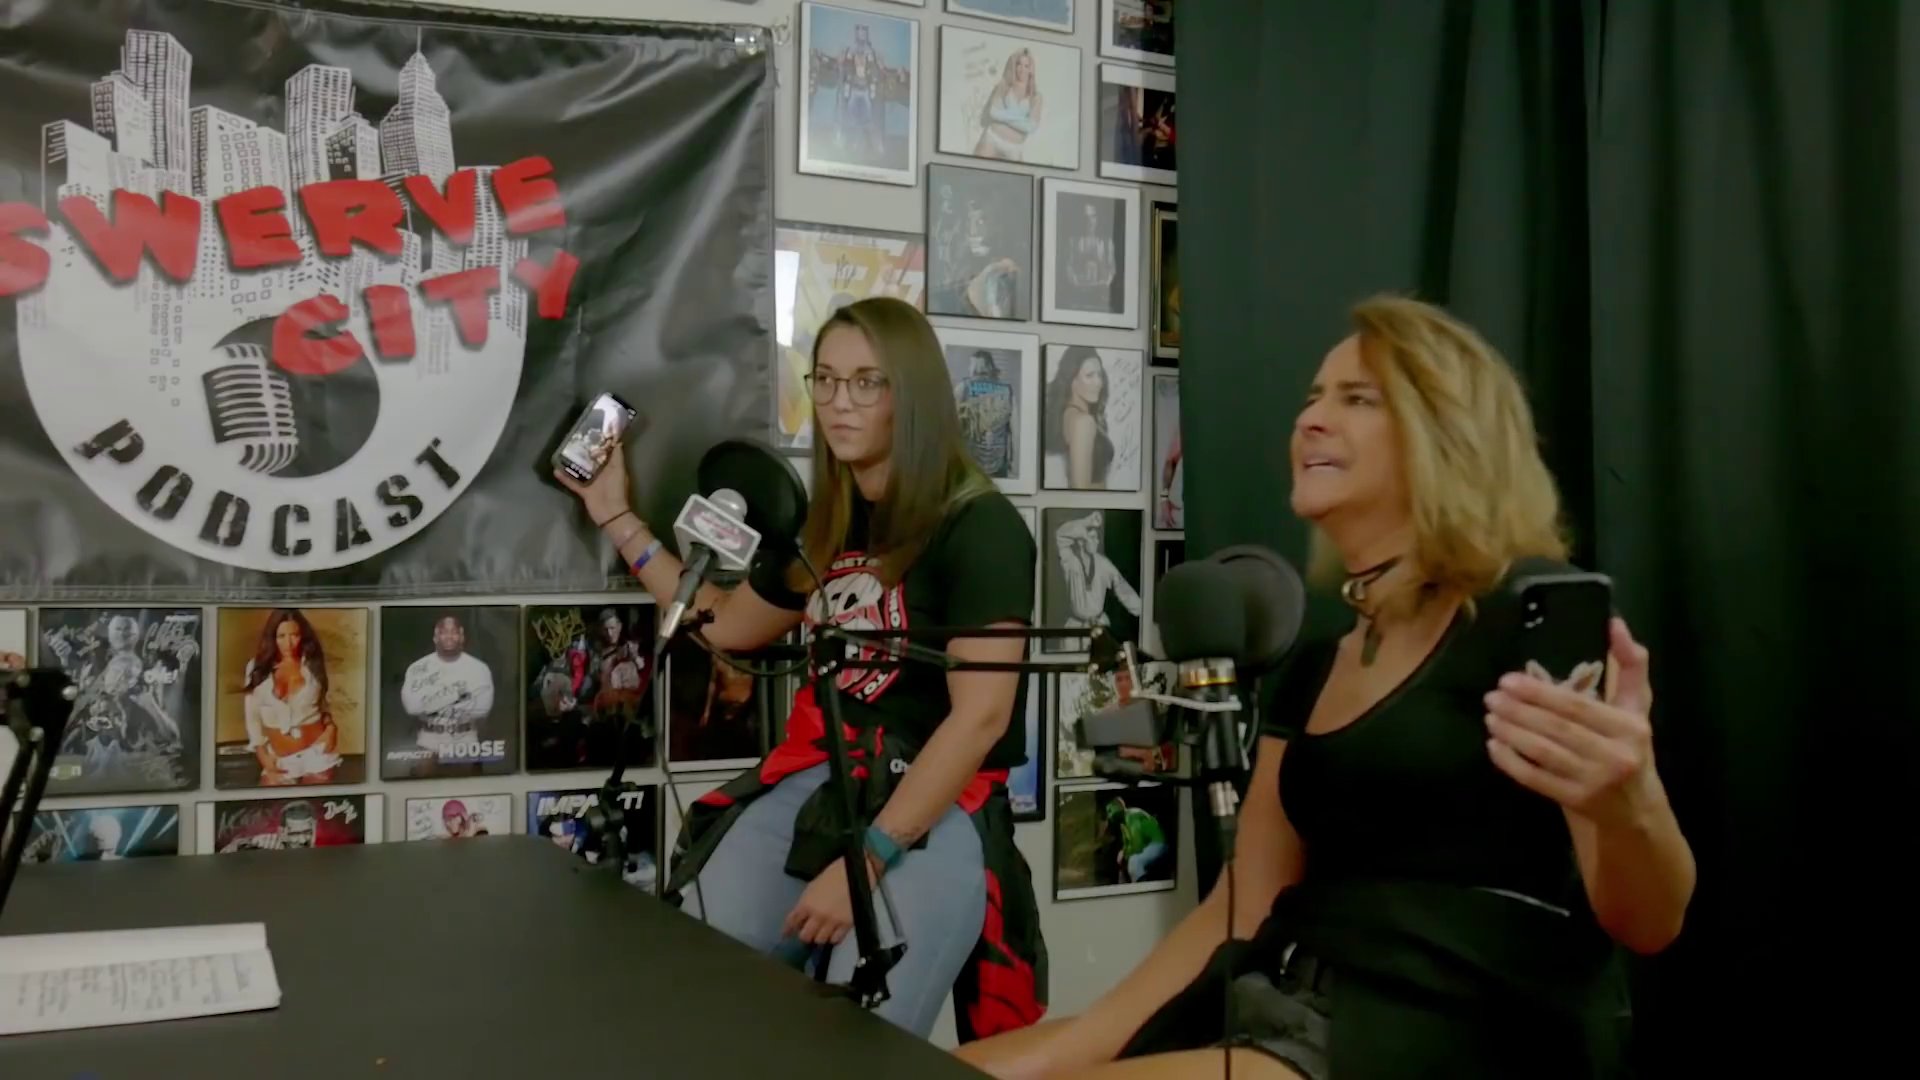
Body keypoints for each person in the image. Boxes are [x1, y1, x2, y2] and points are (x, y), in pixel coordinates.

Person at [955, 295, 1696, 1079]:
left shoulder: (1527, 623)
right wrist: (1048, 1057)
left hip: (1449, 1036)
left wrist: (1630, 802)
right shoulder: (1315, 666)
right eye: (1313, 398)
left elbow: (1651, 922)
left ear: (1446, 433)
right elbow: (1244, 905)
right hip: (1288, 1005)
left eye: (1357, 399)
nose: (1310, 420)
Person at [555, 295, 1047, 1042]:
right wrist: (617, 516)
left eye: (866, 383)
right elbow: (728, 624)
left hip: (932, 805)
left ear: (912, 394)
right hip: (824, 780)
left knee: (858, 1034)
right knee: (700, 977)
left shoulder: (980, 528)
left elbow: (981, 720)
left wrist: (868, 861)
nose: (839, 402)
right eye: (826, 379)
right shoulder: (834, 519)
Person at [242, 609, 341, 786]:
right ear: (272, 637)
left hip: (317, 755)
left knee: (318, 802)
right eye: (281, 636)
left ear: (302, 636)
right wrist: (263, 756)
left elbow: (324, 703)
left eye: (294, 635)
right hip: (279, 759)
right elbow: (252, 717)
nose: (288, 643)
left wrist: (331, 728)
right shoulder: (256, 668)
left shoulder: (312, 665)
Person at [1045, 346, 1115, 489]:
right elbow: (1080, 487)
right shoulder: (1083, 422)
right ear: (1071, 379)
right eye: (1089, 375)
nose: (1098, 383)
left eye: (1099, 375)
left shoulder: (1069, 414)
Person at [976, 48, 1044, 161]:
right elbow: (993, 112)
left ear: (1031, 70)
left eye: (1026, 66)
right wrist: (1022, 120)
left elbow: (1031, 127)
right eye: (1019, 64)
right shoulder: (1004, 85)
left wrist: (1003, 116)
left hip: (1014, 148)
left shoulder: (1036, 96)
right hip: (992, 139)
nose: (1021, 69)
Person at [1106, 798, 1167, 884]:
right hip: (1147, 847)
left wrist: (1125, 856)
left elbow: (1137, 845)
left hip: (1157, 844)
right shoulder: (1123, 824)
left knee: (1134, 861)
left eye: (1110, 811)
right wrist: (1123, 853)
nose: (1109, 816)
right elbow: (1127, 844)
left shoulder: (1132, 816)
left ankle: (1142, 887)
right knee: (1126, 865)